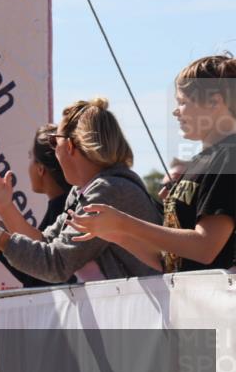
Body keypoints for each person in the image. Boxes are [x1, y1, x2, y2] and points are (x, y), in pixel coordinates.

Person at [0, 98, 162, 283]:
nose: (54, 151)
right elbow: (45, 242)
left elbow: (55, 265)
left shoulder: (109, 191)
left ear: (70, 146)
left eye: (55, 142)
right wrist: (4, 206)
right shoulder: (86, 190)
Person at [69, 54, 236, 272]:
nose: (176, 111)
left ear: (215, 101)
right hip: (194, 301)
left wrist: (125, 223)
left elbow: (205, 247)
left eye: (183, 102)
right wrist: (116, 234)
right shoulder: (201, 162)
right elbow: (167, 261)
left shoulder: (228, 156)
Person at [0, 124, 74, 288]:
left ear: (40, 169)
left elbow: (37, 272)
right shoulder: (67, 206)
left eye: (30, 158)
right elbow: (36, 246)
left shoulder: (65, 210)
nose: (29, 166)